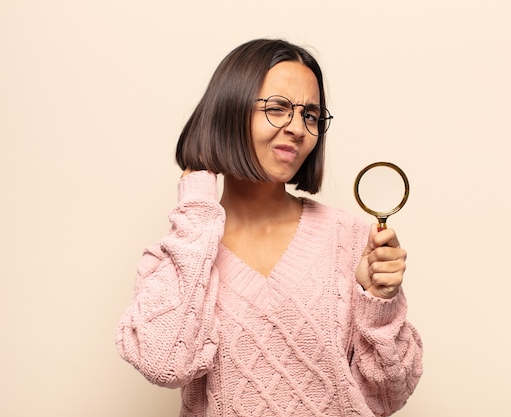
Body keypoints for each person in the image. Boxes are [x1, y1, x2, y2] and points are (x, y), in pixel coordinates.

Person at [116, 38, 423, 416]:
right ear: (230, 112)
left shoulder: (353, 240)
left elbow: (388, 396)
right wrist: (197, 207)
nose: (298, 128)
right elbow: (164, 365)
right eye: (278, 108)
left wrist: (379, 306)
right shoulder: (179, 256)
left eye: (310, 115)